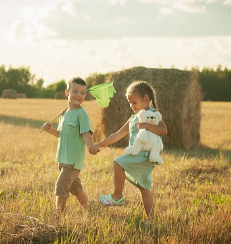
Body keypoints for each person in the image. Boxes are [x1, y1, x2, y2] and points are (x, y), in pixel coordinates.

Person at [91, 80, 168, 219]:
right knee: (144, 189)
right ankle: (152, 220)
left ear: (146, 99)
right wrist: (100, 144)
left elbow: (164, 130)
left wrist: (147, 126)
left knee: (118, 162)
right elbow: (118, 134)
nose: (132, 106)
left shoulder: (152, 113)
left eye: (134, 102)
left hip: (145, 155)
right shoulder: (133, 118)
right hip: (139, 155)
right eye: (130, 103)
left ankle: (117, 196)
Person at [41, 77, 96, 212]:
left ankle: (58, 215)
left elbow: (85, 133)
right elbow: (62, 134)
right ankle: (89, 210)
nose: (79, 95)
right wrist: (50, 130)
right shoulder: (64, 114)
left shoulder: (81, 114)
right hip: (63, 158)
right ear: (67, 93)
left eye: (82, 93)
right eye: (75, 91)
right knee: (75, 188)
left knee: (61, 185)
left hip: (72, 160)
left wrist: (91, 146)